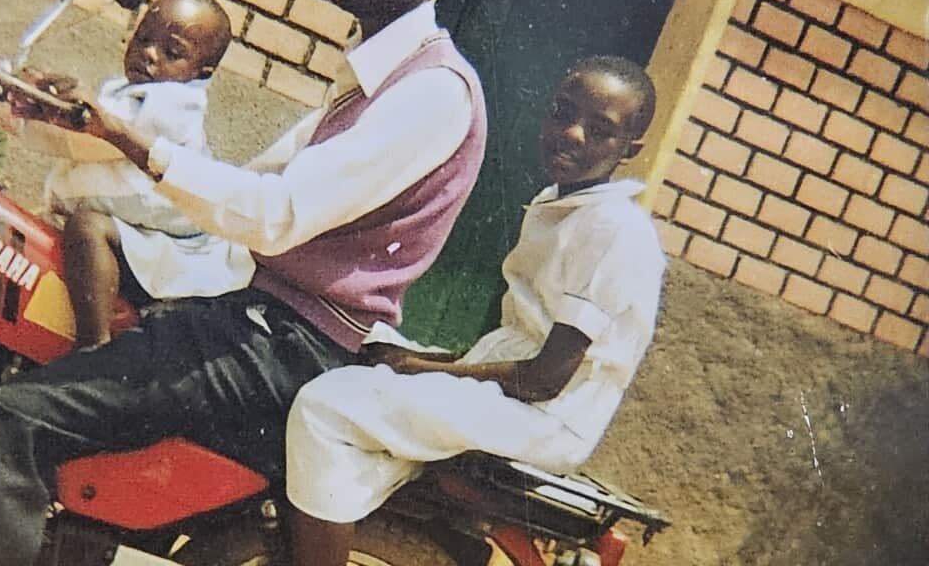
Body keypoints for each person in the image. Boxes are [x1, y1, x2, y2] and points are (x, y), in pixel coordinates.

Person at [0, 0, 492, 566]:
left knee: (11, 419)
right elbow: (245, 184)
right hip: (259, 321)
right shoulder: (368, 81)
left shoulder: (432, 94)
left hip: (283, 345)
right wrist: (86, 125)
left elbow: (275, 214)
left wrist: (128, 140)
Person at [284, 56, 665, 566]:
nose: (572, 134)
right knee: (361, 361)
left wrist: (423, 367)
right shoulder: (564, 204)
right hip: (516, 395)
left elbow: (544, 379)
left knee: (326, 407)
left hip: (546, 417)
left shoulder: (615, 230)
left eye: (600, 131)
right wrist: (424, 359)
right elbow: (522, 341)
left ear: (630, 149)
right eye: (563, 113)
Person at [19, 0, 255, 346]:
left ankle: (92, 347)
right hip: (140, 226)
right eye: (144, 38)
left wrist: (38, 113)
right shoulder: (127, 92)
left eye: (172, 52)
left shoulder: (176, 106)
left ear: (200, 72)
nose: (149, 53)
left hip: (172, 245)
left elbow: (92, 136)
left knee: (87, 228)